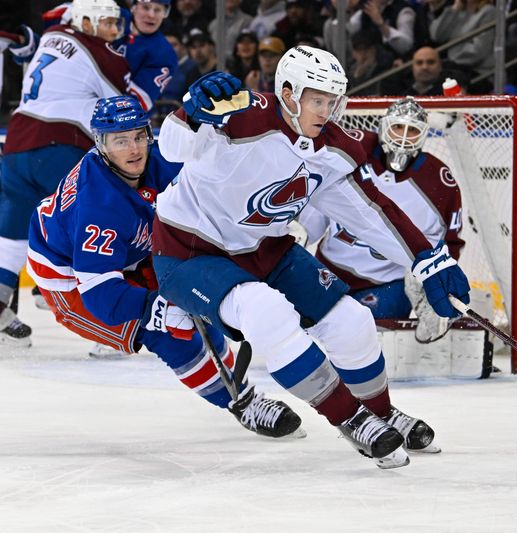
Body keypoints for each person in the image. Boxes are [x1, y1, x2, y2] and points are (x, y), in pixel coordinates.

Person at [151, 46, 470, 468]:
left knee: (351, 319)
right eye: (317, 99)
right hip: (189, 249)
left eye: (334, 100)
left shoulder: (332, 149)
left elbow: (370, 212)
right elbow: (171, 149)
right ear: (288, 92)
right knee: (266, 313)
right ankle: (350, 418)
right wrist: (190, 110)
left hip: (266, 248)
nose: (328, 110)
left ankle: (381, 411)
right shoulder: (237, 114)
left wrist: (426, 259)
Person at [26, 95, 304, 439]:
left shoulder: (161, 160)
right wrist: (156, 310)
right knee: (167, 330)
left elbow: (216, 191)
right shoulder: (99, 205)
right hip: (70, 278)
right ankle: (243, 402)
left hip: (130, 252)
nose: (133, 149)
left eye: (139, 136)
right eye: (120, 141)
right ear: (101, 144)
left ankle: (237, 385)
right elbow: (101, 296)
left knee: (195, 297)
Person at [0, 0, 132, 347]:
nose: (112, 30)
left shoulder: (51, 35)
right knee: (97, 227)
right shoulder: (103, 53)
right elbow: (123, 108)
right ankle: (106, 329)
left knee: (12, 237)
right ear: (84, 20)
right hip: (60, 144)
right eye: (105, 21)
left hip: (16, 144)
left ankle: (2, 307)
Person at [298, 97, 464, 326]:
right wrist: (299, 232)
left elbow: (446, 243)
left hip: (386, 284)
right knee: (305, 330)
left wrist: (428, 285)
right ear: (384, 126)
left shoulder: (437, 182)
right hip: (328, 271)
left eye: (412, 130)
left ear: (424, 135)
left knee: (365, 336)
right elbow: (320, 202)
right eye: (397, 127)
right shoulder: (355, 151)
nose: (403, 137)